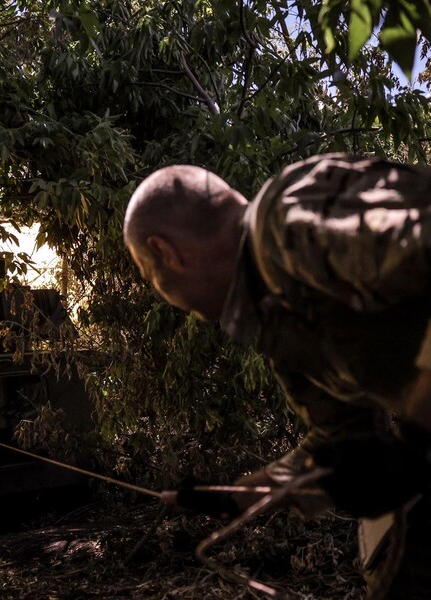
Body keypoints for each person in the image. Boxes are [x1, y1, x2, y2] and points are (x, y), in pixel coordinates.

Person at [123, 154, 431, 599]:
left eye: (148, 274)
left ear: (163, 252)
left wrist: (417, 446)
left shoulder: (287, 222)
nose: (159, 290)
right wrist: (236, 497)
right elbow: (340, 440)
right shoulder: (272, 313)